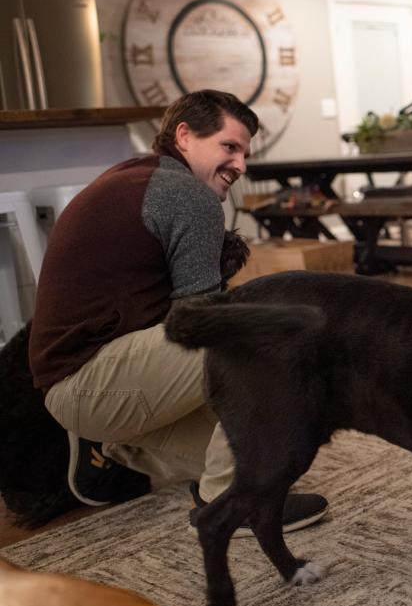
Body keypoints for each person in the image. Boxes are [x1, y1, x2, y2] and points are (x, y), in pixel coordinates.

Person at [28, 90, 328, 535]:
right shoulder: (186, 194)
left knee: (274, 455)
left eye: (245, 152)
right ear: (184, 135)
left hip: (83, 377)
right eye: (229, 147)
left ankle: (117, 448)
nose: (241, 165)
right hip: (90, 381)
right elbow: (201, 322)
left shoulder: (140, 177)